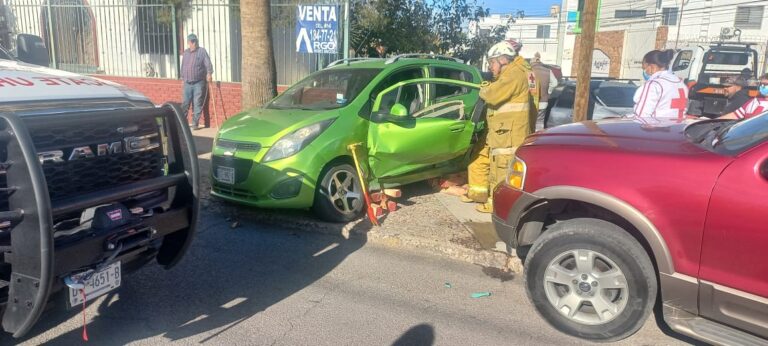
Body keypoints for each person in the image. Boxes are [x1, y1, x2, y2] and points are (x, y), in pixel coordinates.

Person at [464, 40, 534, 213]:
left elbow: (493, 95)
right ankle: (485, 197)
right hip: (505, 131)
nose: (490, 67)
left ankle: (497, 206)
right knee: (494, 165)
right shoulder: (519, 71)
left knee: (502, 170)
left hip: (509, 134)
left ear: (503, 60)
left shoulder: (513, 74)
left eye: (492, 63)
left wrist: (485, 88)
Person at [632, 49, 689, 122]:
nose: (645, 71)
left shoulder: (654, 85)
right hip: (679, 127)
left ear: (652, 67)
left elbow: (641, 116)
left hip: (658, 127)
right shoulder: (681, 84)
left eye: (644, 68)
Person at [180, 33, 213, 130]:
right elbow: (183, 66)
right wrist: (183, 78)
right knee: (185, 103)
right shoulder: (186, 53)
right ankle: (183, 122)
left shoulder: (202, 51)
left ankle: (195, 123)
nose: (194, 43)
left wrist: (209, 73)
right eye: (192, 42)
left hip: (198, 83)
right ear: (188, 43)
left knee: (197, 103)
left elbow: (208, 64)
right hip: (187, 83)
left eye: (195, 41)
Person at [530, 52, 558, 130]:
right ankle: (539, 136)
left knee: (530, 121)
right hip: (543, 101)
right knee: (540, 121)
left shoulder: (529, 71)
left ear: (532, 63)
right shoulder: (548, 71)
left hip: (531, 101)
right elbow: (555, 83)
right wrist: (549, 91)